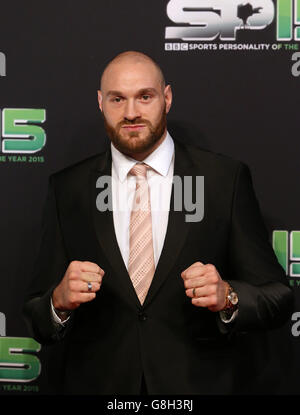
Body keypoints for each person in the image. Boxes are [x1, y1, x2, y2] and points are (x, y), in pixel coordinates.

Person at [23, 51, 293, 395]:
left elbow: (278, 297)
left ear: (166, 98)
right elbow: (36, 312)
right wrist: (58, 301)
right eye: (117, 98)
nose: (131, 112)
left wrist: (229, 296)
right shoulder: (68, 188)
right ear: (100, 103)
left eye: (145, 97)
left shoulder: (224, 180)